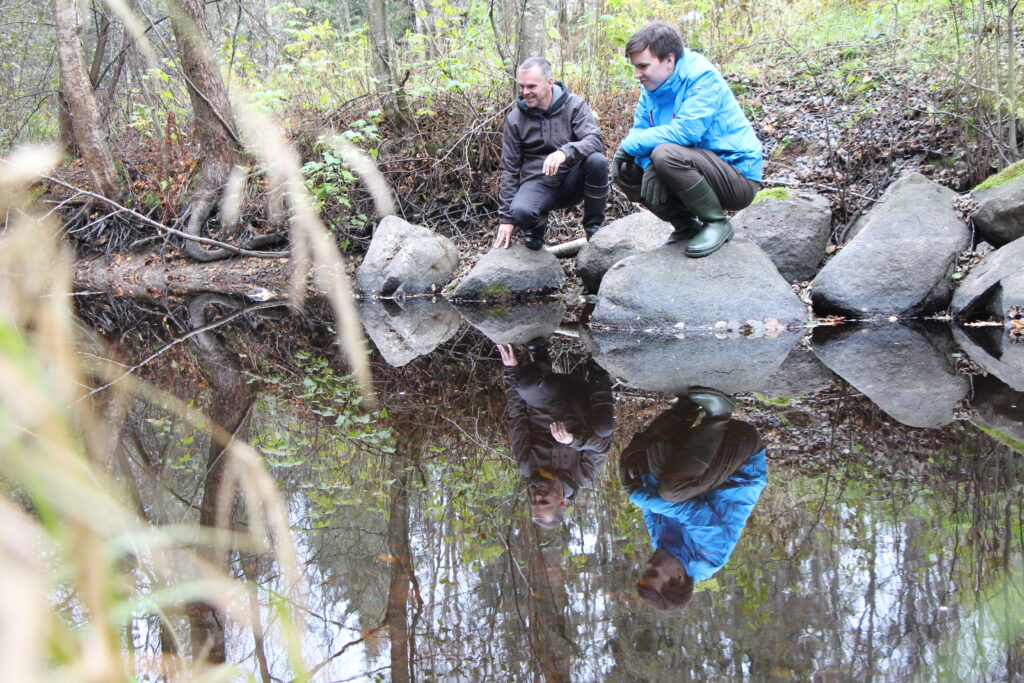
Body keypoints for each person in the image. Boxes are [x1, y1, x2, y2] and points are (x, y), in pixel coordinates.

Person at [610, 21, 763, 258]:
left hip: (736, 176)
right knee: (626, 167)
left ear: (669, 60)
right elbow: (639, 131)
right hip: (690, 166)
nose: (637, 74)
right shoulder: (651, 87)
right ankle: (686, 225)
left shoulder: (702, 77)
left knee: (664, 154)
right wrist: (647, 165)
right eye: (634, 66)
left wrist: (638, 151)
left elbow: (686, 133)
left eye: (643, 66)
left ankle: (717, 223)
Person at [619, 387, 767, 610]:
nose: (648, 563)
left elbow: (652, 507)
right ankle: (719, 414)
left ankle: (686, 407)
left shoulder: (662, 544)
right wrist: (640, 496)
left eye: (645, 570)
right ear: (679, 578)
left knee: (633, 470)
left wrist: (639, 477)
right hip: (741, 453)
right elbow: (689, 510)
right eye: (653, 572)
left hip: (705, 463)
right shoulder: (709, 557)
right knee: (671, 492)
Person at [494, 57, 608, 251]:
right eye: (521, 86)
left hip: (573, 180)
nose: (524, 92)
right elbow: (509, 168)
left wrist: (565, 152)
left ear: (549, 82)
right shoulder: (515, 118)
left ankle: (593, 227)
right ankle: (536, 229)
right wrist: (506, 218)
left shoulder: (574, 105)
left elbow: (595, 140)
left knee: (598, 161)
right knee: (520, 212)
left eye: (531, 86)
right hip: (538, 183)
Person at [498, 340, 615, 528]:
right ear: (562, 502)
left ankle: (540, 354)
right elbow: (602, 445)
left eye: (534, 501)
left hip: (548, 395)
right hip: (582, 399)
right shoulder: (583, 477)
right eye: (544, 502)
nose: (537, 496)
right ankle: (598, 366)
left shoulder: (528, 467)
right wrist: (574, 440)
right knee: (604, 429)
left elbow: (517, 417)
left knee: (526, 386)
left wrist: (511, 370)